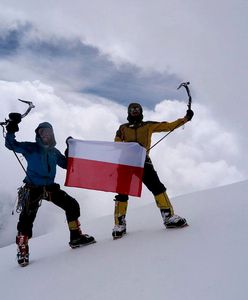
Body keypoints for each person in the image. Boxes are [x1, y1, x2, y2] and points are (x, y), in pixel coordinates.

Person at [5, 113, 95, 266]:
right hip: (32, 188)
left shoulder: (54, 152)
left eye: (48, 132)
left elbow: (66, 165)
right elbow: (11, 144)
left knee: (72, 205)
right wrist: (11, 129)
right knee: (26, 220)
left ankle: (75, 237)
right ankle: (23, 251)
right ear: (38, 134)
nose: (45, 135)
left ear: (52, 134)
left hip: (48, 187)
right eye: (42, 132)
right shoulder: (31, 147)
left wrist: (70, 150)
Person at [112, 103, 194, 239]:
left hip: (143, 162)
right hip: (126, 163)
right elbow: (116, 143)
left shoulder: (148, 125)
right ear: (128, 112)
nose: (134, 111)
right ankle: (119, 224)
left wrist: (185, 119)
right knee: (122, 193)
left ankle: (168, 217)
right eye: (132, 109)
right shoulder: (123, 128)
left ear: (141, 111)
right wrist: (131, 147)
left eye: (137, 109)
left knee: (157, 187)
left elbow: (168, 126)